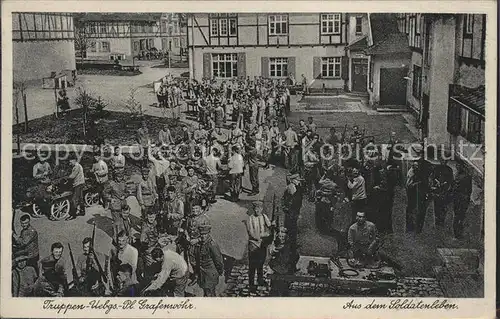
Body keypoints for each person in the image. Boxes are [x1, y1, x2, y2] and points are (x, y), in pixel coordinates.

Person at [189, 223, 224, 297]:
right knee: (206, 293)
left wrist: (220, 271)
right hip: (202, 274)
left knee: (210, 294)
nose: (203, 236)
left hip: (211, 274)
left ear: (208, 234)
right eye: (201, 234)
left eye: (205, 234)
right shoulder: (200, 244)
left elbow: (218, 260)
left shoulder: (212, 245)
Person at [246, 201, 272, 292]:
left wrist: (273, 225)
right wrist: (261, 236)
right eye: (255, 208)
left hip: (262, 245)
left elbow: (269, 226)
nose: (257, 210)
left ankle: (260, 280)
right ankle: (251, 284)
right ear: (253, 209)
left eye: (259, 208)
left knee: (260, 264)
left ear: (261, 209)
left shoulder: (264, 217)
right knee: (252, 266)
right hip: (253, 245)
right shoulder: (250, 219)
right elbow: (251, 233)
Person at [282, 174, 304, 255]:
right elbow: (292, 202)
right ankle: (291, 246)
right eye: (297, 180)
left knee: (292, 228)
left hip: (293, 211)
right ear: (293, 180)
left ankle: (292, 244)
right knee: (292, 228)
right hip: (292, 212)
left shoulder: (294, 187)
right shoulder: (292, 188)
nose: (299, 181)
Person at [430, 157, 454, 228]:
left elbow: (451, 180)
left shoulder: (449, 170)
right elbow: (433, 177)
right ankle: (437, 222)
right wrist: (436, 182)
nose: (443, 161)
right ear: (440, 161)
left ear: (446, 161)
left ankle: (442, 221)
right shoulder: (436, 168)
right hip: (437, 190)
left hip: (445, 191)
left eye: (445, 160)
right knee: (436, 206)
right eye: (442, 160)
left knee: (443, 207)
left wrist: (446, 183)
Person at [405, 161, 427, 233]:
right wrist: (416, 183)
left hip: (417, 195)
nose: (416, 167)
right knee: (411, 211)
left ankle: (414, 228)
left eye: (417, 166)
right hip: (412, 194)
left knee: (415, 211)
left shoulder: (418, 173)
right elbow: (408, 185)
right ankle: (410, 228)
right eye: (415, 166)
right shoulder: (411, 173)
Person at [452, 161, 472, 239]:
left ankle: (457, 234)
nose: (457, 167)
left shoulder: (460, 176)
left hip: (460, 199)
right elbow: (469, 190)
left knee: (458, 217)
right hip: (461, 199)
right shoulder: (463, 176)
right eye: (457, 166)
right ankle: (458, 234)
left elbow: (469, 190)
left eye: (459, 166)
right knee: (460, 217)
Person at [67, 154, 85, 219]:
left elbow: (72, 176)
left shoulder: (77, 167)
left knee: (74, 199)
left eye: (70, 162)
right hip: (80, 183)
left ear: (74, 161)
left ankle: (73, 215)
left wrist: (65, 177)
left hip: (78, 184)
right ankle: (82, 211)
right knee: (80, 198)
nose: (70, 164)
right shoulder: (76, 166)